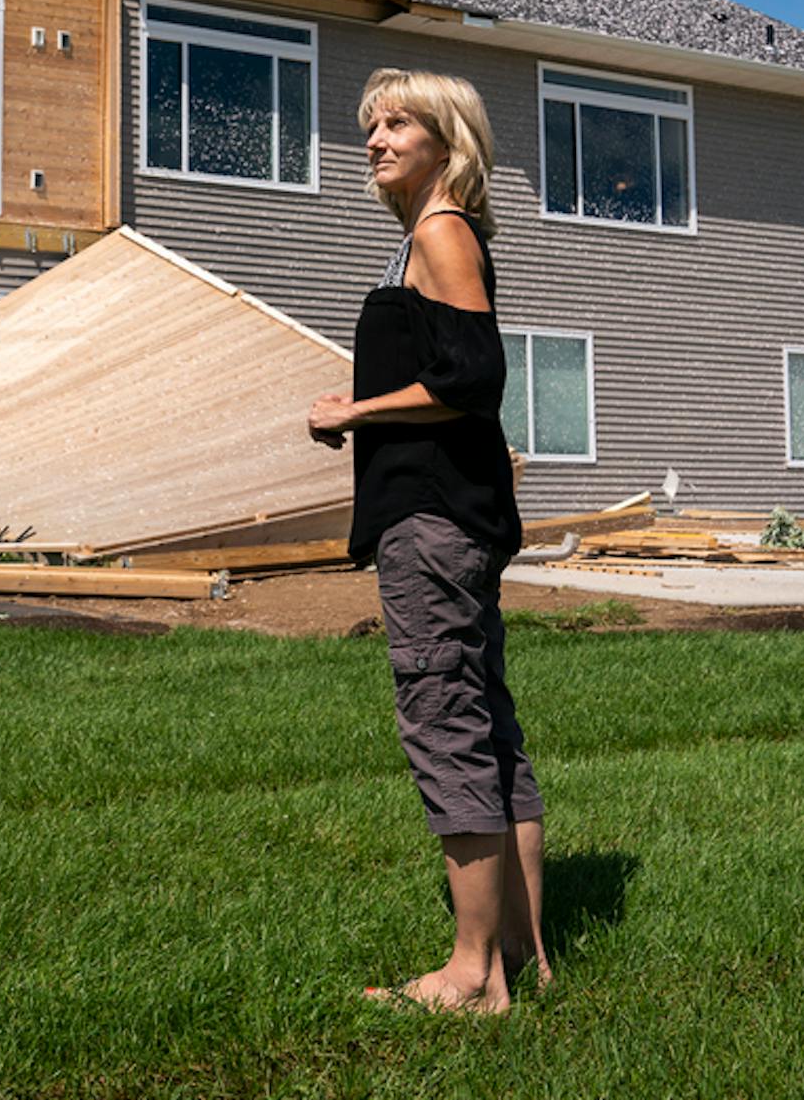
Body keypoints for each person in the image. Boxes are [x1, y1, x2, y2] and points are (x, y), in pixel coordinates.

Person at [307, 69, 550, 1015]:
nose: (376, 138)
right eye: (372, 125)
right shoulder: (429, 237)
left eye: (397, 122)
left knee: (445, 722)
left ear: (447, 140)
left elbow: (473, 375)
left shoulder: (441, 232)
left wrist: (354, 410)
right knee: (487, 731)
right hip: (461, 516)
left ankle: (472, 974)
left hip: (434, 520)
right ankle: (526, 958)